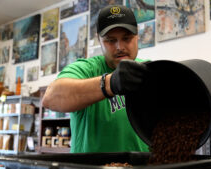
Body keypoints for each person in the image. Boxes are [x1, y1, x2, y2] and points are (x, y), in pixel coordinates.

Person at [42, 4, 150, 153]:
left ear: (137, 36)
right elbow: (50, 98)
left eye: (127, 38)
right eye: (111, 40)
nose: (120, 47)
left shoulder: (148, 71)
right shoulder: (86, 70)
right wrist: (109, 83)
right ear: (99, 40)